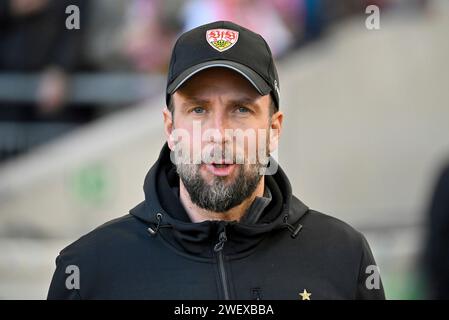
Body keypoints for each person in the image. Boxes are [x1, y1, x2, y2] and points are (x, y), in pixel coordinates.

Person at [48, 21, 385, 300]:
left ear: (273, 128)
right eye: (198, 109)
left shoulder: (343, 257)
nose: (219, 132)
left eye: (241, 109)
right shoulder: (89, 270)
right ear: (170, 127)